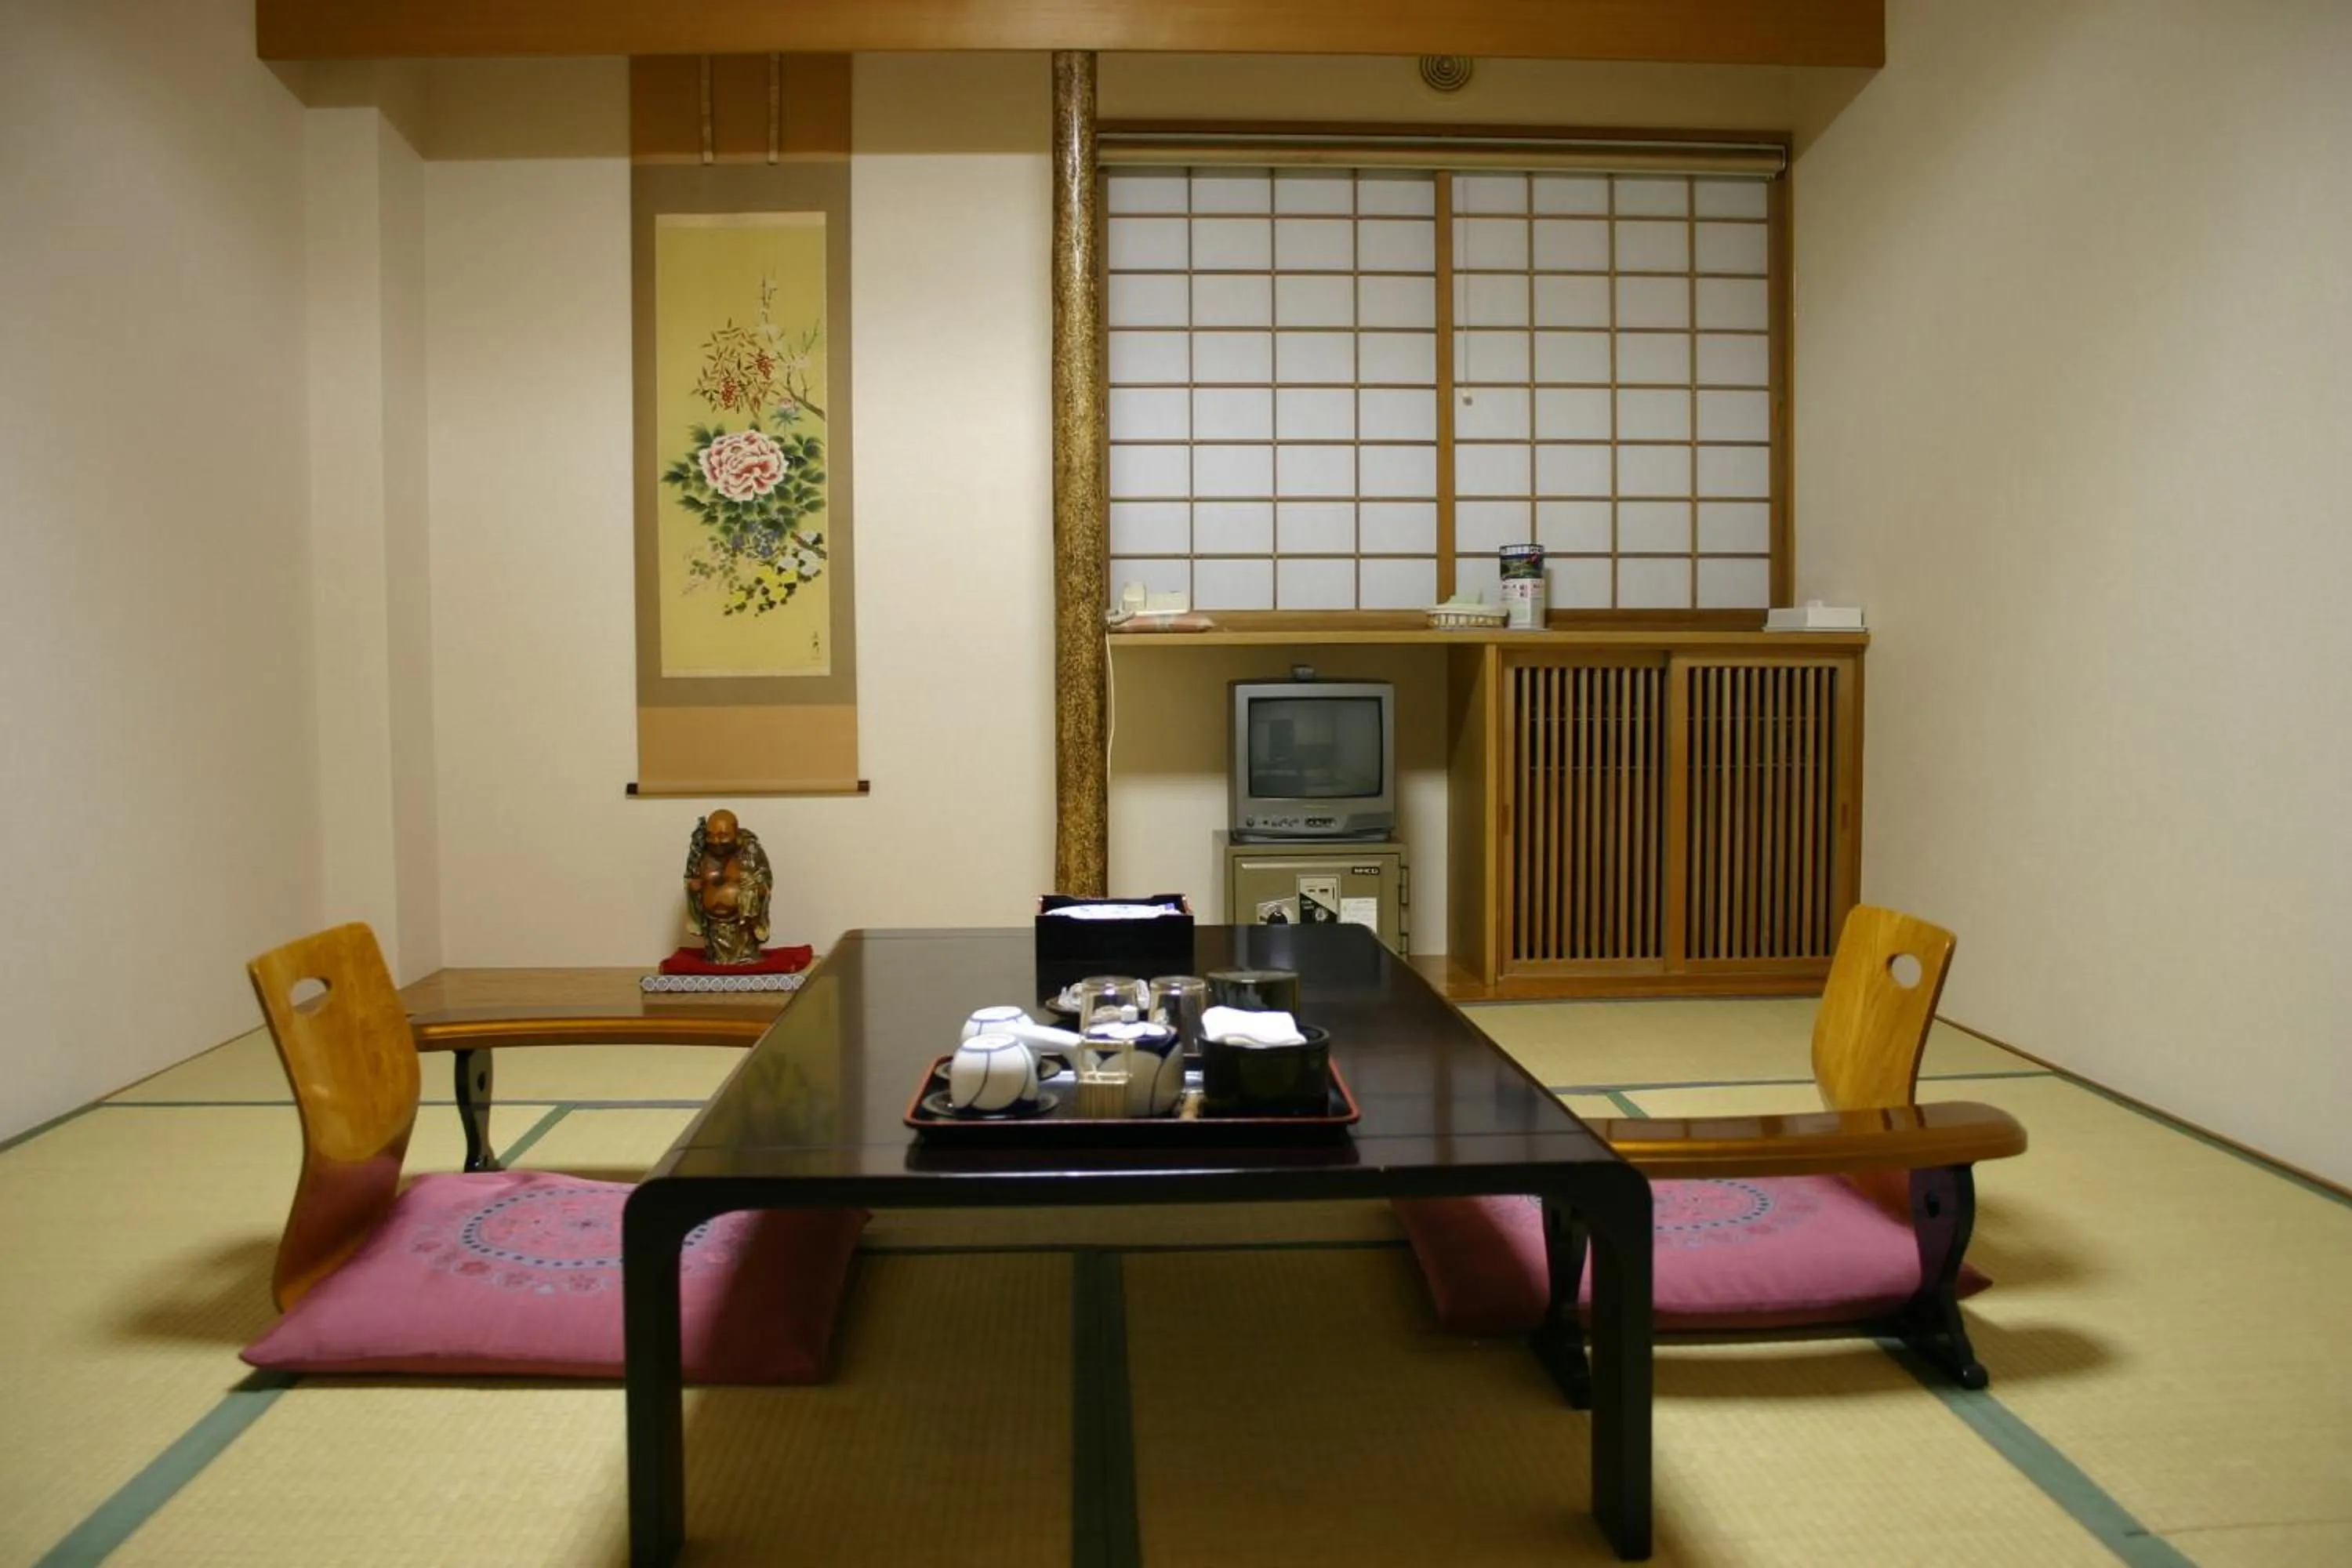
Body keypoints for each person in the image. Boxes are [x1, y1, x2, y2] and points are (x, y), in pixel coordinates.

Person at [683, 809, 774, 964]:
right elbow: (691, 880)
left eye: (723, 836)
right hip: (712, 931)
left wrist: (752, 891)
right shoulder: (700, 852)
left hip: (742, 931)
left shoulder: (750, 852)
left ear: (736, 834)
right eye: (711, 836)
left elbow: (765, 883)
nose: (716, 841)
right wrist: (693, 889)